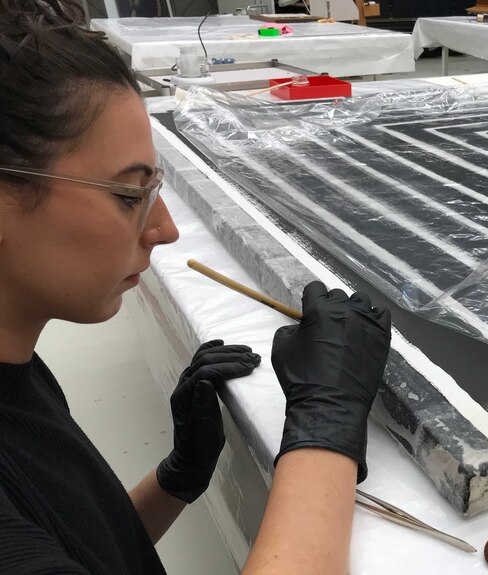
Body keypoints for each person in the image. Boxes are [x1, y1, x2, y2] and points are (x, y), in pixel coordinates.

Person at [0, 1, 392, 573]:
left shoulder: (18, 366)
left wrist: (178, 476)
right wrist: (326, 431)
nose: (165, 229)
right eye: (130, 194)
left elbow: (85, 549)